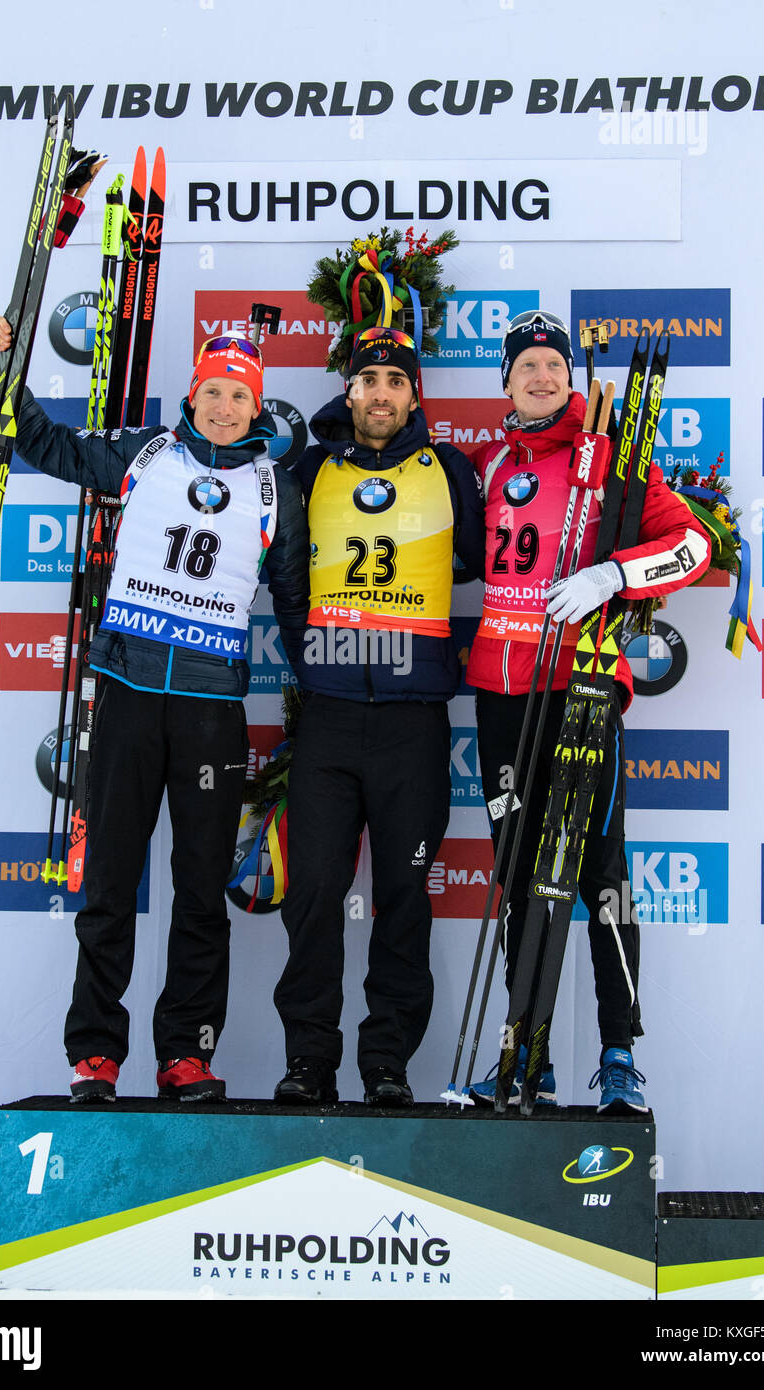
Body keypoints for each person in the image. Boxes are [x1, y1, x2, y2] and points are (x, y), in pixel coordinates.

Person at [0, 315, 309, 1102]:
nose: (224, 406)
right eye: (213, 390)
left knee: (198, 890)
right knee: (111, 882)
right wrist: (3, 370)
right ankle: (95, 1053)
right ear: (192, 393)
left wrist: (315, 698)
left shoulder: (274, 487)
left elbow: (293, 605)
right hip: (125, 695)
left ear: (255, 405)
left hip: (209, 709)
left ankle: (186, 1053)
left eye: (239, 394)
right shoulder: (147, 452)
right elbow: (50, 447)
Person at [467, 310, 711, 1112]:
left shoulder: (611, 458)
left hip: (581, 691)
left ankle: (617, 1055)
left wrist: (614, 575)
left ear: (570, 376)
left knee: (598, 877)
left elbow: (692, 546)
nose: (541, 376)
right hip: (503, 698)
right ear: (504, 380)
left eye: (553, 364)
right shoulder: (489, 464)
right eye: (526, 365)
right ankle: (524, 1053)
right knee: (515, 881)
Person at [273, 326, 484, 1107]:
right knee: (314, 894)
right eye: (371, 380)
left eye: (398, 379)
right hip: (328, 719)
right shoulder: (311, 468)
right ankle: (307, 1063)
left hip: (413, 723)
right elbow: (285, 577)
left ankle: (386, 1063)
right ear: (349, 390)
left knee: (404, 894)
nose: (384, 393)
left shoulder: (450, 469)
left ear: (414, 393)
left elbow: (495, 562)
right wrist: (309, 662)